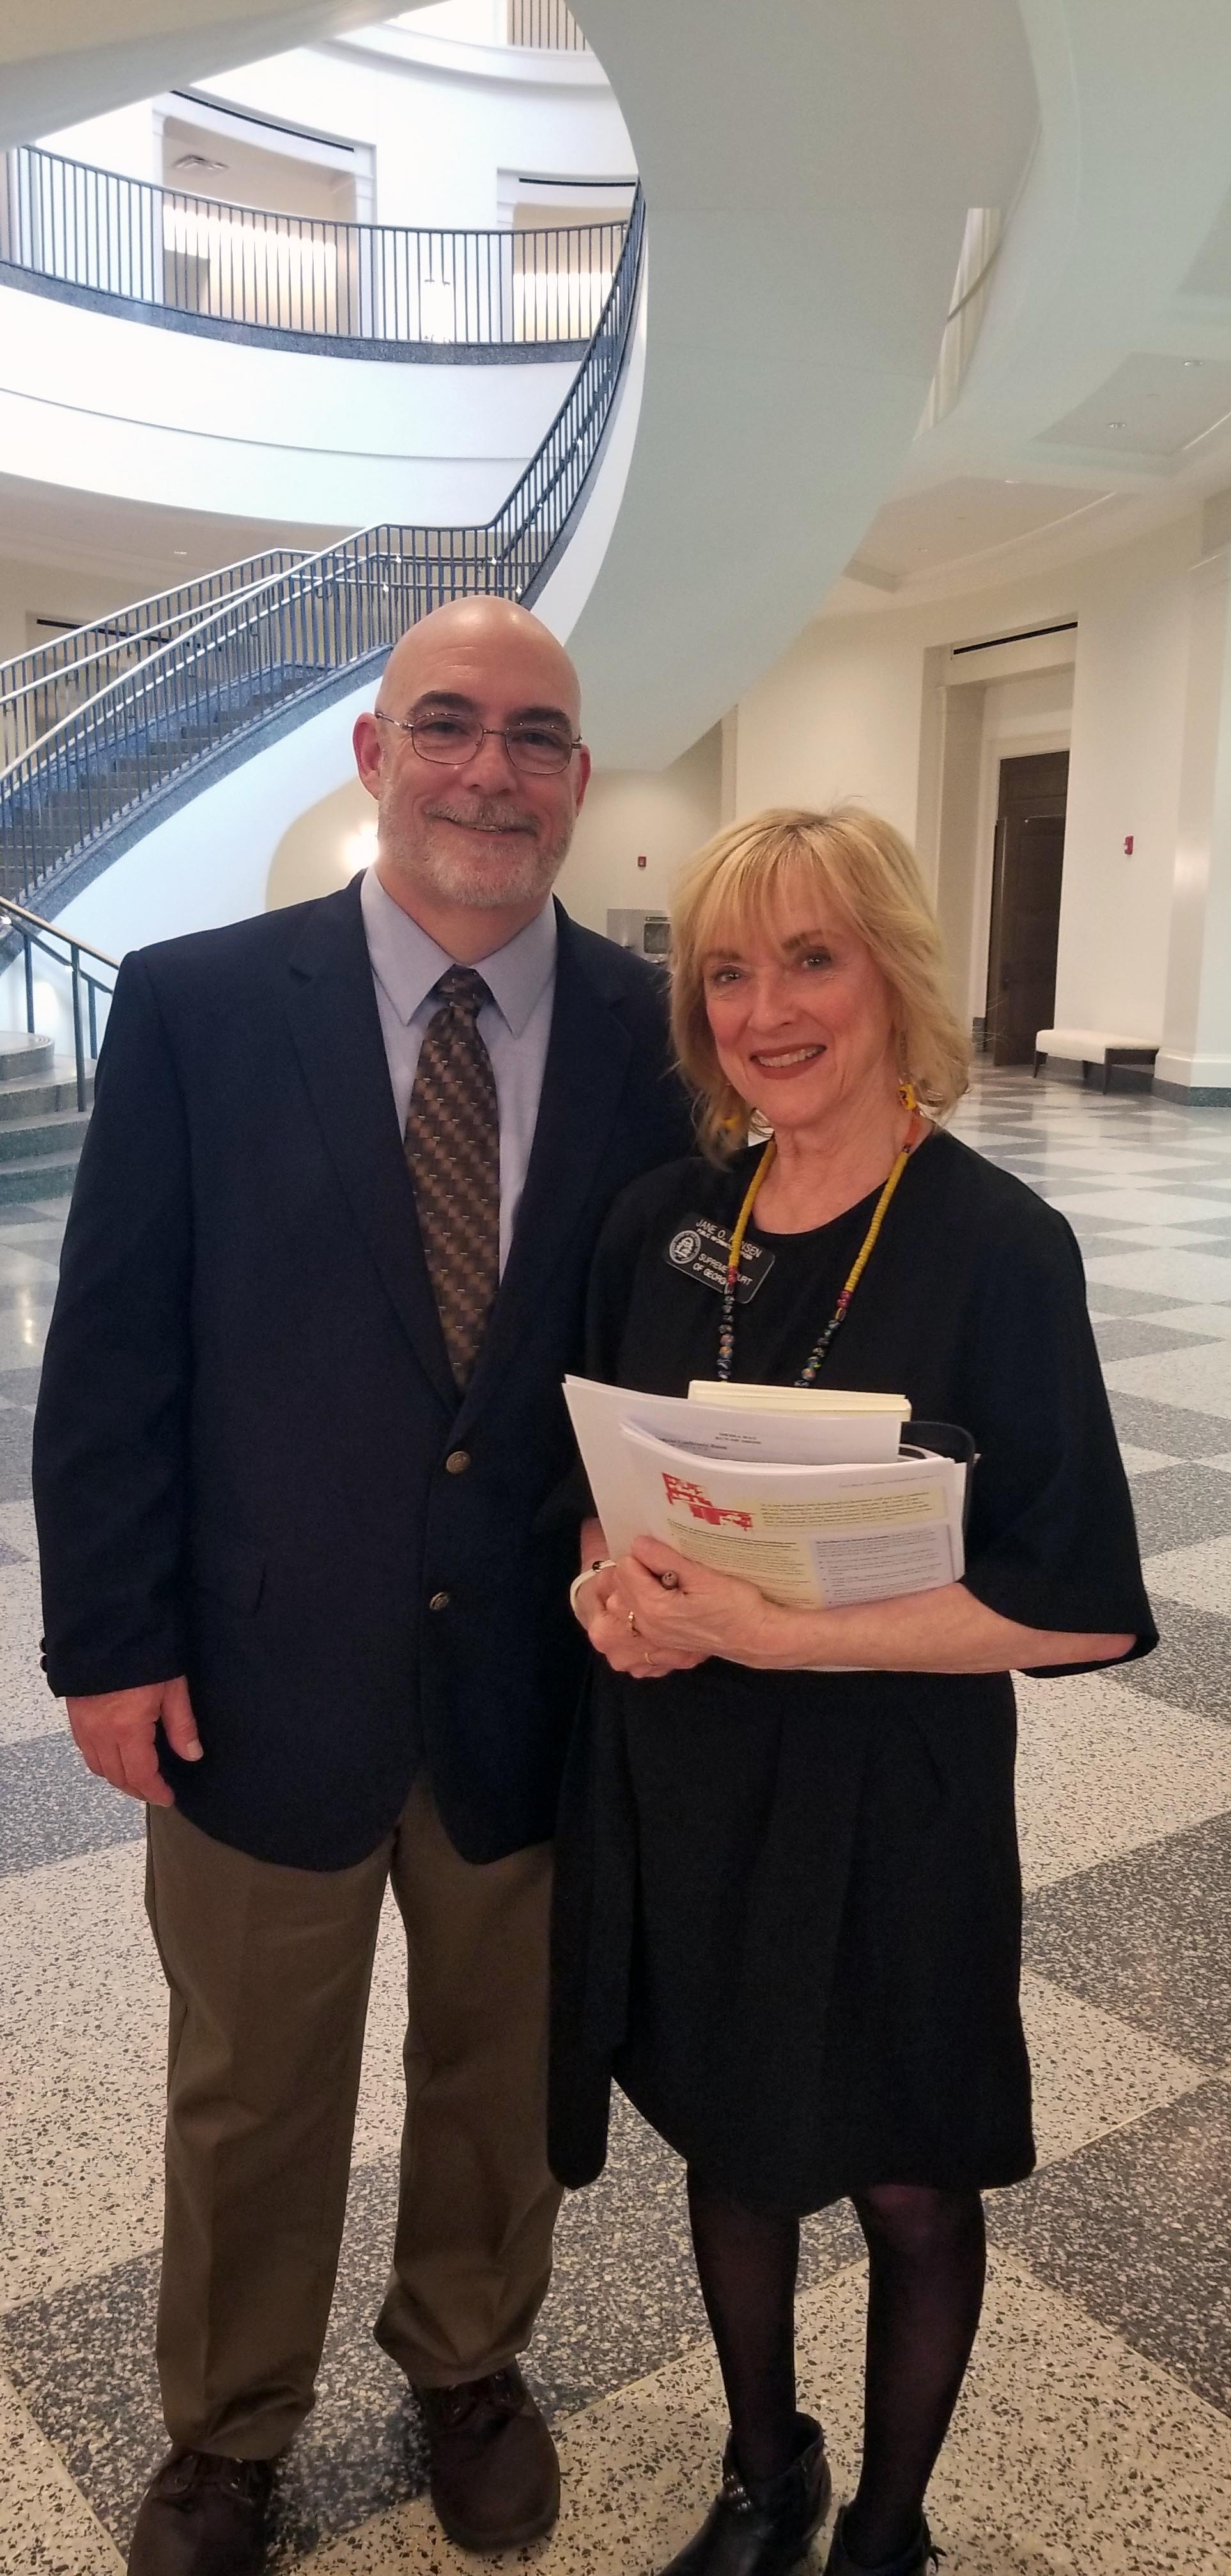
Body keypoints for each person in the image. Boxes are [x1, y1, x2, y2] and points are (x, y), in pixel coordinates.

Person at [32, 595, 692, 2576]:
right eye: (449, 723)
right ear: (374, 754)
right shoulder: (199, 1004)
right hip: (255, 1669)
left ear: (581, 778)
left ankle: (468, 2364)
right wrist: (112, 1644)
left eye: (537, 735)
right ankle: (228, 2433)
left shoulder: (664, 1040)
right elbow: (118, 1352)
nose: (491, 766)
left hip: (538, 1681)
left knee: (500, 2068)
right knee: (251, 2090)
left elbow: (678, 1346)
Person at [552, 805, 1156, 2576]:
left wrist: (785, 1634)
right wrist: (612, 1585)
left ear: (894, 969)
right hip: (690, 1772)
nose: (764, 1008)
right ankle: (767, 2475)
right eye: (727, 971)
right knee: (735, 2146)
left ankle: (889, 2531)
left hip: (898, 1793)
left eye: (810, 957)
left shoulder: (998, 1246)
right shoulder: (667, 1221)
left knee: (905, 2175)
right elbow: (601, 1463)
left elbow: (1086, 1609)